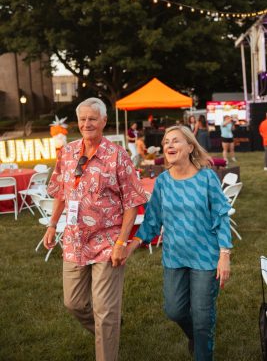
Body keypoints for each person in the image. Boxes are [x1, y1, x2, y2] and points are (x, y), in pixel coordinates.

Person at [43, 98, 147, 361]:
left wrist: (122, 243)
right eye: (82, 119)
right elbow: (60, 192)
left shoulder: (117, 156)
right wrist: (52, 224)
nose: (86, 123)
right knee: (74, 303)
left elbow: (133, 202)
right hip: (75, 240)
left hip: (107, 241)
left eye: (92, 118)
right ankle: (110, 328)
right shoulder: (67, 153)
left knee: (104, 310)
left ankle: (107, 336)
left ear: (103, 122)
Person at [125, 125, 232, 361]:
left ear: (190, 147)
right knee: (174, 311)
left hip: (205, 257)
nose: (169, 145)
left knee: (203, 318)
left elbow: (221, 216)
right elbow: (152, 220)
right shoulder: (163, 182)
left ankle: (203, 349)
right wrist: (130, 246)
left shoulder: (206, 178)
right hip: (175, 257)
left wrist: (224, 254)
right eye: (166, 142)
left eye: (175, 141)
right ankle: (197, 335)